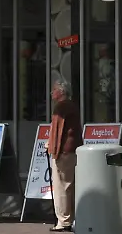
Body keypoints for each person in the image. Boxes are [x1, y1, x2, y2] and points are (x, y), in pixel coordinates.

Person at [46, 75, 81, 233]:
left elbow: (57, 132)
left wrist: (52, 148)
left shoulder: (61, 107)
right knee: (70, 186)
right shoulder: (72, 106)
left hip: (64, 152)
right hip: (72, 150)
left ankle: (63, 220)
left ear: (61, 91)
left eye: (54, 90)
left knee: (61, 187)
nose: (51, 93)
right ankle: (70, 218)